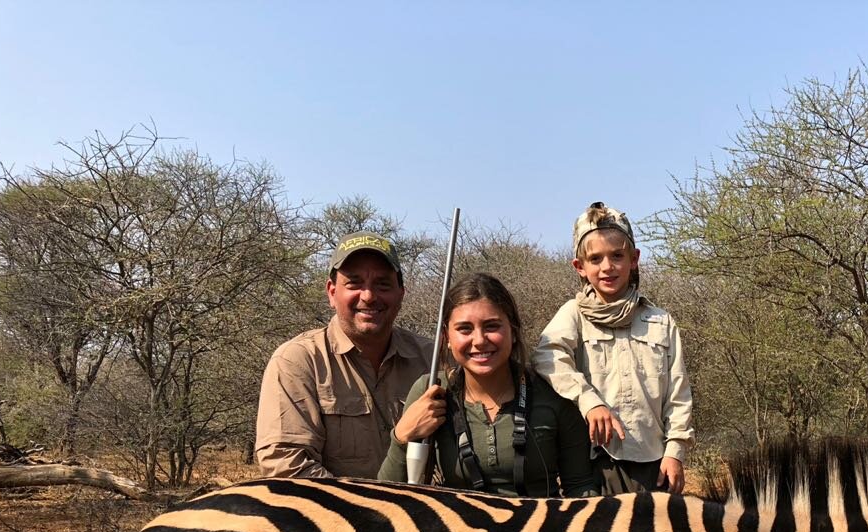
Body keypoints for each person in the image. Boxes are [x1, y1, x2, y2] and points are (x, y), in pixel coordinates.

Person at [378, 272, 598, 497]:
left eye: (492, 326)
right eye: (464, 329)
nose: (480, 340)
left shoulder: (552, 389)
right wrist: (402, 437)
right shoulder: (431, 391)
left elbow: (580, 486)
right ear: (447, 337)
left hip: (540, 528)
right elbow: (385, 496)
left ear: (513, 331)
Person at [531, 201, 694, 495]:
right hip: (592, 465)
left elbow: (678, 394)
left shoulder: (661, 320)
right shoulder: (572, 314)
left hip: (653, 464)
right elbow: (547, 356)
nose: (607, 267)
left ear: (634, 259)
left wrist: (675, 452)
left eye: (617, 256)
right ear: (580, 267)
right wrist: (588, 400)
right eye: (595, 259)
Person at [255, 232, 432, 479]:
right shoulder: (297, 361)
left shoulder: (433, 360)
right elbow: (286, 466)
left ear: (401, 294)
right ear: (331, 292)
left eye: (383, 284)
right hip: (334, 516)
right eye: (354, 283)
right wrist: (367, 513)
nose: (369, 296)